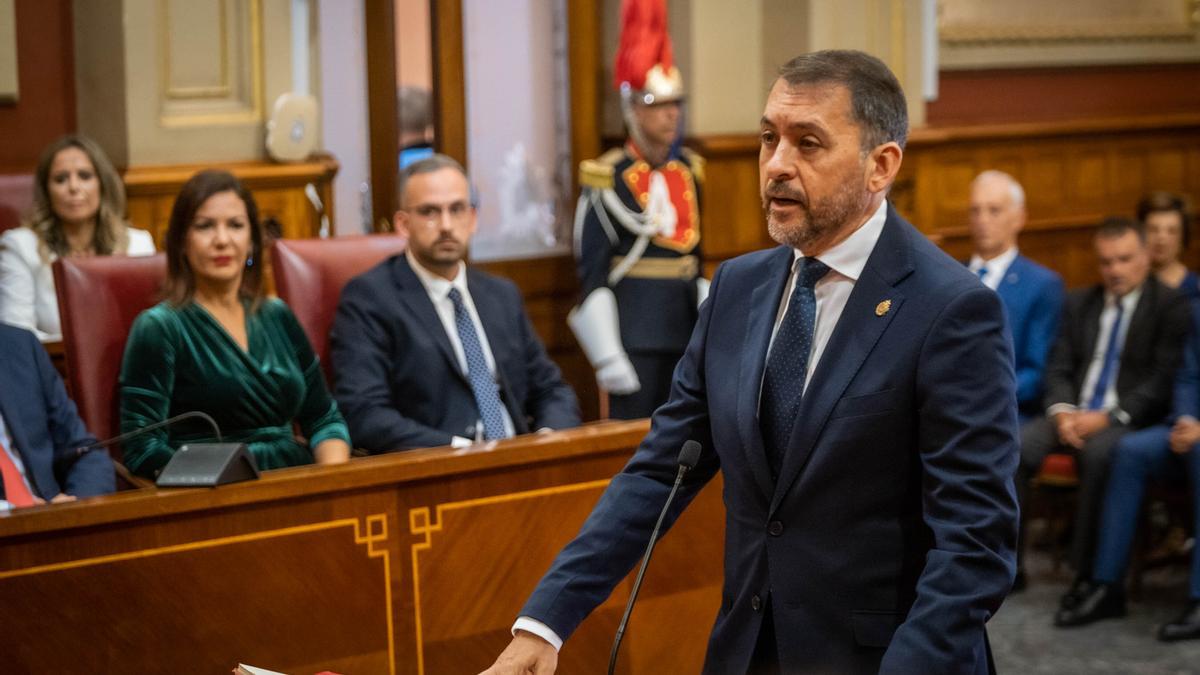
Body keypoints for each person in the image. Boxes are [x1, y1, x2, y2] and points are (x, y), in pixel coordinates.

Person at [482, 50, 1018, 675]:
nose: (776, 166)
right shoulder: (737, 288)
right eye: (769, 139)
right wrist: (547, 620)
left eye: (808, 143)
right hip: (746, 654)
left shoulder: (951, 310)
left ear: (882, 165)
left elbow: (974, 544)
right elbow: (660, 472)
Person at [331, 154, 580, 453]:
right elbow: (364, 413)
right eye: (429, 212)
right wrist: (459, 450)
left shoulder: (500, 295)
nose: (447, 225)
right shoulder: (369, 299)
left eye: (457, 209)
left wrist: (546, 439)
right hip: (438, 472)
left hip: (519, 461)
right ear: (403, 224)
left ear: (472, 219)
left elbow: (552, 390)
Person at [119, 170, 350, 478]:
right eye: (205, 226)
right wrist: (226, 478)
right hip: (214, 497)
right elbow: (142, 448)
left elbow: (323, 418)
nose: (222, 240)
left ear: (253, 241)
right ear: (181, 242)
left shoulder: (277, 314)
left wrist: (332, 482)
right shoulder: (159, 327)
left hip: (297, 483)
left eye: (236, 225)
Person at [1017, 217, 1190, 596]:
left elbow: (1160, 383)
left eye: (1124, 259)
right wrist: (1062, 411)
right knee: (1014, 446)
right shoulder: (1080, 303)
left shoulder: (1170, 306)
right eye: (1107, 261)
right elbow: (1058, 366)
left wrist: (1108, 417)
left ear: (1145, 257)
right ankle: (1006, 566)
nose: (1114, 270)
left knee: (1099, 454)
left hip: (1125, 420)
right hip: (1070, 414)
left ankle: (1087, 574)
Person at [568, 0, 706, 420]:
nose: (671, 114)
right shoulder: (604, 177)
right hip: (635, 332)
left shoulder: (691, 171)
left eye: (675, 104)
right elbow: (592, 272)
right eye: (658, 104)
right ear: (632, 108)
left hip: (686, 327)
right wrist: (607, 354)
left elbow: (695, 259)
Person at [1053, 292, 1200, 638]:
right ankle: (1107, 585)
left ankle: (1198, 597)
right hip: (1186, 427)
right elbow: (1189, 376)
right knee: (1130, 451)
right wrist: (1185, 418)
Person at [0, 135, 156, 341]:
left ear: (102, 184)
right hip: (50, 369)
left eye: (84, 176)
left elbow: (153, 329)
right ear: (47, 191)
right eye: (60, 179)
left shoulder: (138, 244)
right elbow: (17, 335)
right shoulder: (20, 246)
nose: (73, 187)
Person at [967, 170, 1064, 421]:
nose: (982, 220)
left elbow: (1037, 370)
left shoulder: (1042, 284)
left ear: (1019, 218)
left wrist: (984, 397)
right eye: (975, 211)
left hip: (1007, 412)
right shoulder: (947, 274)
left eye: (994, 210)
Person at [0, 323, 114, 509]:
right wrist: (10, 512)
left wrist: (76, 508)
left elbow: (82, 450)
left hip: (53, 514)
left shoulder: (20, 345)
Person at [1138, 190, 1198, 297]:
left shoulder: (1195, 290)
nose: (1161, 239)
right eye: (1153, 229)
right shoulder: (1129, 286)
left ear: (1183, 238)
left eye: (1172, 231)